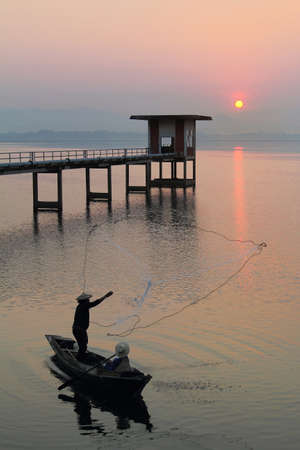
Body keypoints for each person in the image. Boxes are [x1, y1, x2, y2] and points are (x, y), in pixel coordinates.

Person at [72, 290, 113, 361]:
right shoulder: (84, 305)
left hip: (78, 329)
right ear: (85, 300)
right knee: (83, 347)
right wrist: (105, 296)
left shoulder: (80, 306)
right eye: (88, 299)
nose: (89, 300)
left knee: (83, 346)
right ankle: (78, 360)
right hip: (79, 330)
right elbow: (95, 303)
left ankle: (80, 358)